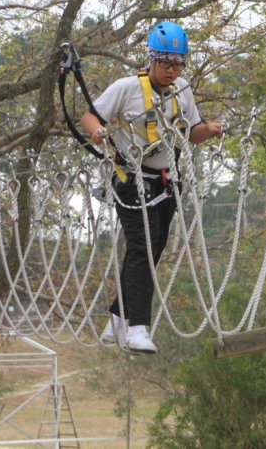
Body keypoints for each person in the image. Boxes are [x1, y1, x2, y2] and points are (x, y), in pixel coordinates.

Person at [81, 22, 222, 353]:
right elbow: (90, 116)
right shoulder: (127, 88)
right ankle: (137, 328)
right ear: (152, 59)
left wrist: (211, 130)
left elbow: (192, 133)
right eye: (166, 63)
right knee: (142, 247)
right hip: (132, 180)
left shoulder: (181, 90)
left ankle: (116, 320)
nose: (172, 70)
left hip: (166, 181)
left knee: (153, 249)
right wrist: (98, 132)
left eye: (178, 64)